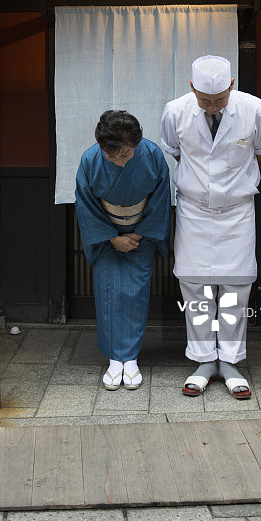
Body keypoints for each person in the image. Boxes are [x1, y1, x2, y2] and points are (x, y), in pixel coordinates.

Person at [160, 55, 261, 399]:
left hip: (237, 210)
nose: (212, 106)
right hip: (194, 210)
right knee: (194, 286)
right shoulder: (175, 111)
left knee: (236, 287)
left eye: (220, 99)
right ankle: (203, 360)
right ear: (192, 87)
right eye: (205, 100)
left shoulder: (255, 109)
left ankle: (230, 362)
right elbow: (177, 152)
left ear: (232, 84)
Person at [75, 110, 171, 391]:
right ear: (101, 147)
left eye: (126, 155)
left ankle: (131, 358)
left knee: (135, 294)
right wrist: (111, 237)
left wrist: (138, 233)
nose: (119, 161)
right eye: (112, 156)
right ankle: (114, 360)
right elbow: (85, 202)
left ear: (137, 144)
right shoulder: (90, 159)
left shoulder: (152, 154)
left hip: (141, 235)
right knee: (109, 297)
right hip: (107, 238)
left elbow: (162, 196)